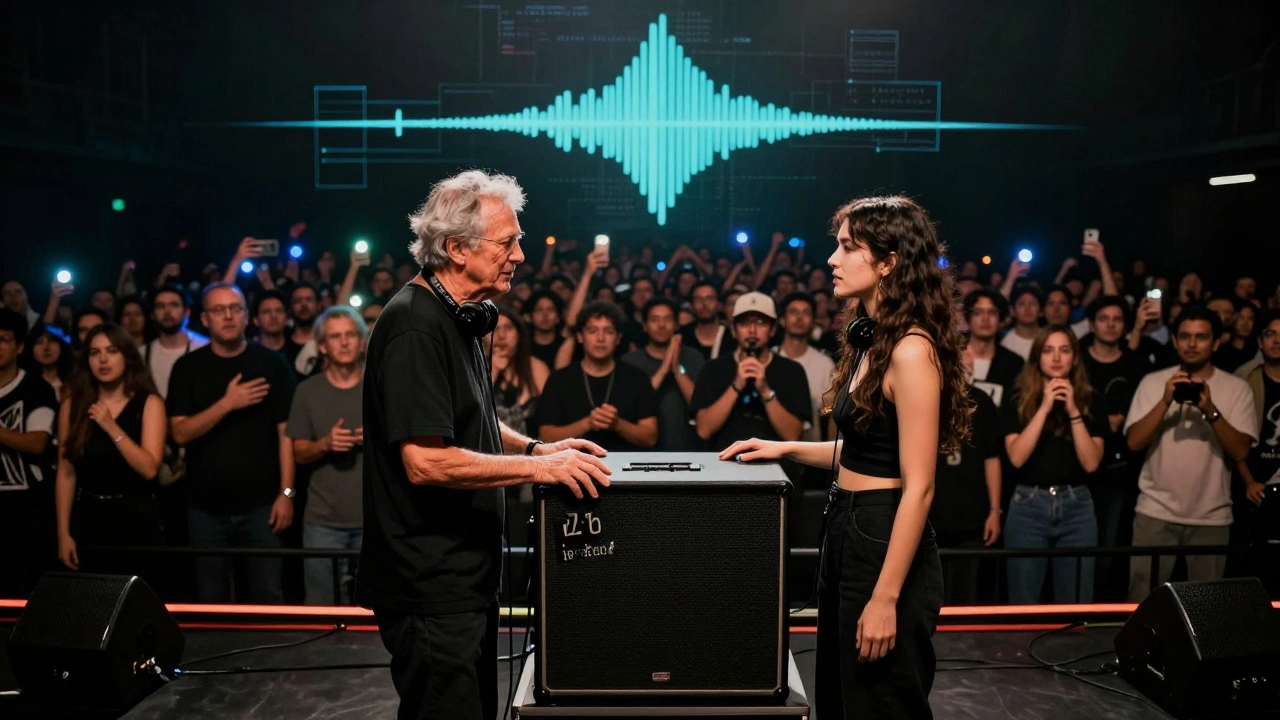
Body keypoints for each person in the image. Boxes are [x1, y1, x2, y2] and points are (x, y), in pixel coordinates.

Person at [359, 170, 612, 720]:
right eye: (508, 242)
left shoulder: (458, 317)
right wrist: (538, 475)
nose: (520, 254)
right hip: (429, 586)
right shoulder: (414, 327)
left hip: (462, 579)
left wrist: (534, 450)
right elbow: (425, 462)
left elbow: (470, 425)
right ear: (455, 248)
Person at [721, 196, 971, 719]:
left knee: (880, 700)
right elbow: (865, 452)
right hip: (848, 527)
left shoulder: (910, 350)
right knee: (839, 695)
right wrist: (784, 447)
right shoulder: (870, 338)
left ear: (888, 262)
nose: (832, 260)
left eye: (847, 248)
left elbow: (918, 485)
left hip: (882, 537)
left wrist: (885, 598)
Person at [168, 282, 298, 603]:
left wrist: (286, 493)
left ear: (247, 316)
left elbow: (287, 434)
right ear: (204, 319)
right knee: (212, 598)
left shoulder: (272, 364)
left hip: (263, 506)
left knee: (268, 595)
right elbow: (180, 433)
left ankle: (269, 656)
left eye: (235, 308)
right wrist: (227, 403)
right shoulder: (187, 368)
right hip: (205, 508)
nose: (228, 316)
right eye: (218, 310)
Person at [1124, 305, 1257, 601]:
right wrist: (1165, 402)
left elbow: (1240, 450)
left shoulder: (1236, 388)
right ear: (1174, 341)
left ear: (1216, 342)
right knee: (1142, 604)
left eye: (1201, 337)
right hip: (1155, 512)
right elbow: (1133, 443)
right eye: (1185, 336)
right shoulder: (1153, 382)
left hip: (1212, 516)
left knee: (1205, 612)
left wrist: (1209, 409)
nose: (1192, 344)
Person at [1002, 326, 1106, 603]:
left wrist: (1072, 410)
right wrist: (1045, 406)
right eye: (1048, 350)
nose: (1056, 358)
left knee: (1075, 606)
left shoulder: (1090, 399)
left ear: (1074, 357)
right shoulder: (1017, 398)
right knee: (1023, 606)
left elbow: (1092, 462)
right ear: (1037, 358)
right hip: (1028, 507)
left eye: (1064, 350)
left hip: (1078, 507)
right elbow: (1016, 457)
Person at [55, 324, 166, 579]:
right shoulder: (73, 406)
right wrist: (63, 533)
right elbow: (65, 472)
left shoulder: (149, 403)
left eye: (111, 351)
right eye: (95, 353)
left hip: (136, 518)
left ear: (127, 356)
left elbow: (149, 469)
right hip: (89, 517)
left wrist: (110, 426)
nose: (103, 360)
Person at [287, 306, 368, 604]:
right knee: (320, 609)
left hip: (372, 518)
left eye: (350, 335)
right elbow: (298, 452)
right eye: (335, 337)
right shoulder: (307, 391)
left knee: (373, 613)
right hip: (322, 521)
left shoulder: (378, 384)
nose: (344, 342)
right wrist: (325, 444)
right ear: (322, 345)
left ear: (361, 341)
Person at [0, 309, 59, 597]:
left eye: (4, 339)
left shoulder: (36, 388)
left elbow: (37, 443)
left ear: (20, 346)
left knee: (25, 594)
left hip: (27, 513)